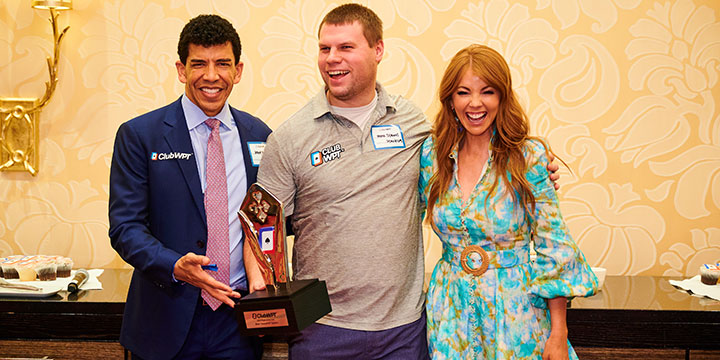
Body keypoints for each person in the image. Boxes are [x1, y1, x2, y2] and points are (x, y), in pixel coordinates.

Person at [256, 4, 560, 359]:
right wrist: (265, 296)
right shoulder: (289, 137)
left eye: (346, 47)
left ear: (378, 50)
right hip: (323, 329)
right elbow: (261, 225)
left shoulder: (413, 124)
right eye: (325, 48)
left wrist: (536, 165)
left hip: (404, 330)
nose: (332, 58)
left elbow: (468, 155)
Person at [419, 44, 598, 359]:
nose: (475, 103)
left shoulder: (528, 157)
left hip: (517, 314)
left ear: (502, 96)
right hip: (450, 313)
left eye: (487, 91)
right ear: (450, 99)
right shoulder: (431, 157)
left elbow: (553, 245)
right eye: (463, 92)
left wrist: (559, 333)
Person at [108, 14, 270, 360]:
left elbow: (267, 219)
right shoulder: (140, 135)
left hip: (237, 322)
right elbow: (125, 228)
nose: (211, 76)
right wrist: (174, 264)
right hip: (166, 316)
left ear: (238, 71)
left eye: (222, 64)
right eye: (199, 64)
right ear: (182, 70)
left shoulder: (260, 136)